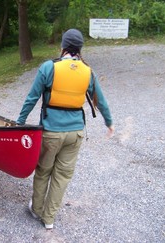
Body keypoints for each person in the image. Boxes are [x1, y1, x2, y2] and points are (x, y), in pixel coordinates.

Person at [16, 29, 114, 230]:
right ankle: (49, 219)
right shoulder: (88, 72)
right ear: (80, 49)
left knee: (43, 171)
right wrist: (109, 122)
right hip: (76, 133)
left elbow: (32, 98)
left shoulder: (48, 67)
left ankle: (36, 209)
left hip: (51, 132)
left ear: (62, 47)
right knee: (62, 176)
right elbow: (100, 101)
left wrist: (20, 122)